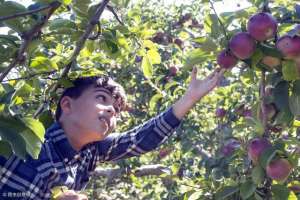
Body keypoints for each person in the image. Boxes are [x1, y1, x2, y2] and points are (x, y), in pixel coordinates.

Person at [0, 67, 224, 200]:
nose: (111, 110)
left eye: (116, 110)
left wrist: (189, 99)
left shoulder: (91, 152)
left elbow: (139, 139)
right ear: (67, 105)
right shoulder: (25, 150)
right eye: (101, 98)